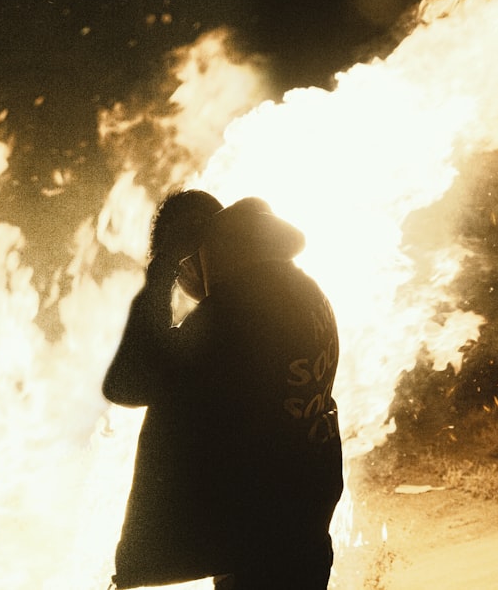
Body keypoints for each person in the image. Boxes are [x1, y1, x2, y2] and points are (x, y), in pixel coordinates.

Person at [102, 191, 343, 590]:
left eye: (182, 262)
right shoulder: (305, 294)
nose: (182, 278)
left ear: (203, 251)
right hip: (303, 528)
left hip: (257, 550)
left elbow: (125, 383)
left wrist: (160, 268)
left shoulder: (236, 314)